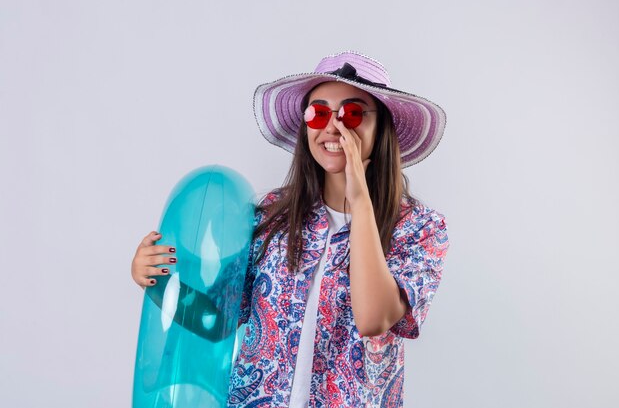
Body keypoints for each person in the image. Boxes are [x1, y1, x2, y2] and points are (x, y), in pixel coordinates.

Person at [131, 51, 449, 407]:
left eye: (352, 113)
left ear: (382, 128)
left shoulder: (419, 228)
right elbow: (217, 320)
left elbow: (374, 318)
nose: (333, 127)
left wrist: (360, 202)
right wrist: (158, 282)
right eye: (318, 113)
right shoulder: (269, 216)